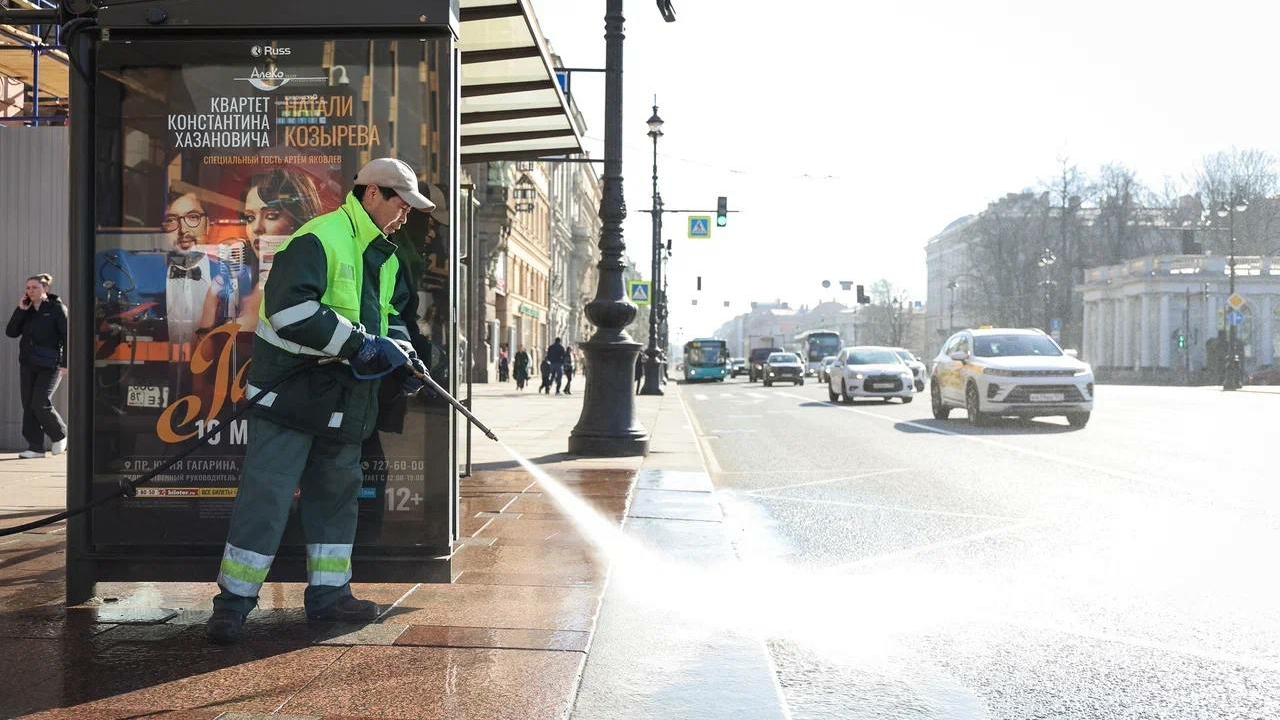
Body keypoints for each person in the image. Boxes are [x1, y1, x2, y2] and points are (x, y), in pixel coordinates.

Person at [206, 157, 435, 644]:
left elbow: (390, 316)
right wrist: (362, 346)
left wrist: (403, 354)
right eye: (401, 204)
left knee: (335, 501)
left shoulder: (385, 255)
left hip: (343, 401)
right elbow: (290, 312)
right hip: (289, 398)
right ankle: (232, 605)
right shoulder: (318, 238)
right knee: (266, 501)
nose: (404, 216)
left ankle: (330, 596)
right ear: (372, 193)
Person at [201, 168, 324, 334]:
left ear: (299, 220)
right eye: (250, 218)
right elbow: (205, 347)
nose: (257, 228)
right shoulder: (232, 282)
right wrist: (213, 303)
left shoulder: (315, 277)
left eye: (271, 216)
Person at [6, 274, 68, 459]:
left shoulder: (57, 308)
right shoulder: (26, 309)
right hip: (28, 363)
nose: (30, 291)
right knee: (28, 405)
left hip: (51, 365)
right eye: (28, 288)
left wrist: (66, 363)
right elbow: (11, 332)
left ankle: (60, 434)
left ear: (45, 289)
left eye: (35, 287)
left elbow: (68, 336)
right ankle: (35, 447)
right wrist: (21, 310)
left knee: (40, 402)